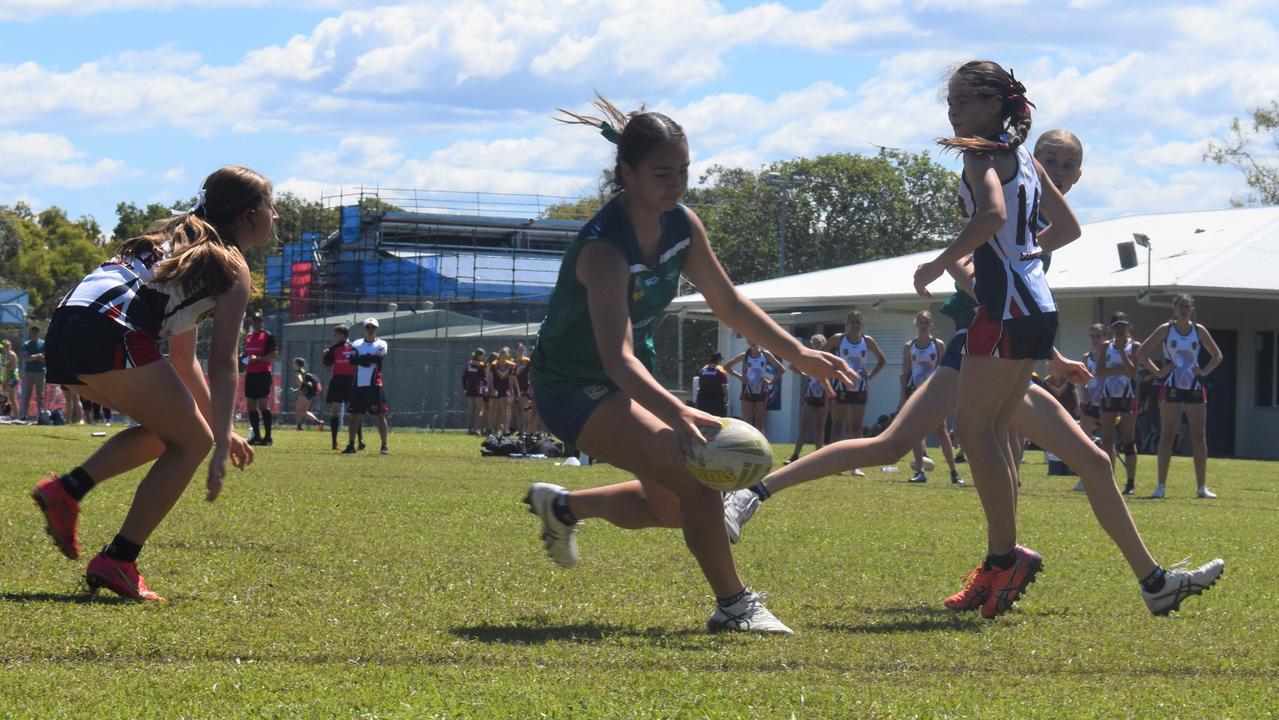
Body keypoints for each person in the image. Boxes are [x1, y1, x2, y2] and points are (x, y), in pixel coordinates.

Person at [725, 117, 1222, 617]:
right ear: (1031, 162)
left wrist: (1052, 356)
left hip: (1005, 357)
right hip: (976, 353)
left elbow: (1016, 292)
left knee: (1083, 461)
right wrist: (956, 269)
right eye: (1050, 161)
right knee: (900, 444)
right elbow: (980, 283)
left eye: (1069, 165)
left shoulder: (1033, 231)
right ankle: (755, 493)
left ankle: (1149, 582)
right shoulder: (1010, 209)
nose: (1058, 170)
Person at [522, 96, 855, 634]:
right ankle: (735, 607)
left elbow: (729, 302)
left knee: (675, 508)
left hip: (629, 381)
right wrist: (678, 412)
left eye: (683, 171)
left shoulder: (681, 225)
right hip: (573, 387)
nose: (675, 184)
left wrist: (797, 354)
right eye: (661, 174)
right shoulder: (604, 249)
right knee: (701, 480)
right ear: (626, 173)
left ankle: (564, 509)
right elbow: (616, 357)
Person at [29, 166, 265, 600]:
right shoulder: (230, 264)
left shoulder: (180, 239)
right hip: (109, 330)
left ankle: (67, 490)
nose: (275, 217)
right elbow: (223, 360)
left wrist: (222, 427)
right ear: (249, 215)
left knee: (172, 432)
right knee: (191, 442)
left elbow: (184, 358)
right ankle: (119, 558)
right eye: (271, 208)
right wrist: (214, 447)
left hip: (65, 327)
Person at [1135, 294, 1224, 499]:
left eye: (1187, 306)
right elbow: (1142, 353)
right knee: (1167, 435)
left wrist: (1203, 372)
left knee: (1198, 436)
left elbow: (1217, 355)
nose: (1184, 309)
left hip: (1193, 385)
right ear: (1174, 309)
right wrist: (1158, 372)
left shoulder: (1198, 330)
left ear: (1191, 308)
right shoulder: (1166, 329)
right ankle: (1161, 485)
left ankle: (1201, 487)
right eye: (1180, 306)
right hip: (1171, 384)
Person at [822, 309, 885, 476]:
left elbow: (881, 359)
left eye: (858, 321)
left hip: (859, 387)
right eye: (852, 322)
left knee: (856, 427)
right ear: (847, 324)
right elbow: (821, 354)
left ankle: (855, 465)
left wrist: (870, 375)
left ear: (862, 324)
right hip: (841, 386)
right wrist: (831, 371)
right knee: (837, 425)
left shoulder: (867, 341)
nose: (855, 325)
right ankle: (834, 463)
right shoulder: (838, 339)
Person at [900, 311, 961, 484]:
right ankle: (920, 471)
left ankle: (954, 472)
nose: (923, 325)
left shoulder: (938, 344)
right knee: (916, 432)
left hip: (933, 392)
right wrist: (902, 397)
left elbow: (944, 370)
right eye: (921, 322)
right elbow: (905, 373)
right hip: (914, 391)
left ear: (931, 324)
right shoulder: (909, 346)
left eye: (926, 322)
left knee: (941, 431)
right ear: (916, 324)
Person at [1098, 312, 1140, 495]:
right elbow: (1099, 372)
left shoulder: (1134, 346)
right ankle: (1109, 478)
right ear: (1111, 329)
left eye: (1122, 327)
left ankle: (1130, 482)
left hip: (1127, 395)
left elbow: (1132, 372)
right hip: (1109, 394)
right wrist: (1116, 370)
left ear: (1128, 327)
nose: (1120, 330)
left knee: (1129, 439)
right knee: (1108, 439)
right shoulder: (1107, 346)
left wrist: (1123, 351)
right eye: (1116, 327)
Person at [343, 317, 389, 455]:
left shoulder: (382, 343)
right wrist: (367, 359)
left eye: (373, 328)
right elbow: (352, 359)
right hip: (358, 385)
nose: (370, 330)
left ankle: (384, 445)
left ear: (377, 329)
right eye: (368, 327)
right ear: (364, 329)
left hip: (374, 386)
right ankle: (351, 445)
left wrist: (363, 359)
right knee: (354, 416)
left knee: (380, 416)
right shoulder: (357, 343)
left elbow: (379, 357)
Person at [785, 334, 831, 465]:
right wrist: (806, 374)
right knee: (804, 426)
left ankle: (819, 457)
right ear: (812, 344)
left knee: (820, 427)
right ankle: (795, 455)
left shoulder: (828, 358)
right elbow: (792, 366)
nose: (818, 344)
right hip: (811, 393)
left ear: (824, 343)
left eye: (821, 341)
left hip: (824, 393)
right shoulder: (809, 356)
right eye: (816, 342)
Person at [725, 342, 784, 432]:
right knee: (747, 422)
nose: (752, 343)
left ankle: (760, 445)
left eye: (754, 340)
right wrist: (739, 376)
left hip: (762, 390)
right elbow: (727, 367)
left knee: (759, 422)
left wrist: (770, 381)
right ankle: (748, 444)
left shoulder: (765, 354)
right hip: (748, 390)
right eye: (750, 340)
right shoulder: (745, 355)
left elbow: (781, 369)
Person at [242, 311, 277, 445]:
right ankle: (256, 436)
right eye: (254, 321)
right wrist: (245, 361)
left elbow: (273, 355)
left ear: (262, 322)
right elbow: (245, 355)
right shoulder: (248, 337)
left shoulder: (268, 336)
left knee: (263, 404)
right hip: (251, 374)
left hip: (263, 374)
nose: (256, 323)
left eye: (258, 321)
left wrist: (259, 359)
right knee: (251, 405)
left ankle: (267, 437)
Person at [322, 324, 356, 450]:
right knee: (335, 411)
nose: (335, 337)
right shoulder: (334, 349)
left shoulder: (354, 347)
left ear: (343, 335)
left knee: (353, 412)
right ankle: (334, 442)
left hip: (350, 381)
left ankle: (358, 440)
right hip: (337, 380)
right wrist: (325, 356)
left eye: (337, 334)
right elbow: (327, 367)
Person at [488, 346, 518, 434]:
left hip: (505, 388)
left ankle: (506, 429)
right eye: (502, 353)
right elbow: (491, 377)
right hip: (496, 387)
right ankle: (490, 428)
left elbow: (511, 378)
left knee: (505, 409)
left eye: (506, 353)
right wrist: (492, 389)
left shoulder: (511, 365)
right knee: (493, 409)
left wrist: (513, 390)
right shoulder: (494, 364)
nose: (503, 355)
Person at [19, 324, 46, 421]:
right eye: (33, 331)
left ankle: (41, 416)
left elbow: (44, 358)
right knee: (27, 395)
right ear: (30, 333)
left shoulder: (43, 344)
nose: (35, 333)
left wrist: (34, 357)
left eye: (36, 331)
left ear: (39, 333)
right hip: (29, 372)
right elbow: (26, 358)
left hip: (40, 372)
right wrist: (37, 356)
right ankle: (24, 415)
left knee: (40, 395)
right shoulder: (26, 344)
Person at [694, 352, 730, 418]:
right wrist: (727, 400)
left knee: (704, 419)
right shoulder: (721, 370)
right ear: (718, 360)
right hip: (716, 400)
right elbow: (725, 387)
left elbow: (699, 386)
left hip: (703, 399)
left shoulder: (703, 369)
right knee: (717, 420)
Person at [291, 357, 323, 430]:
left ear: (297, 364)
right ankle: (319, 423)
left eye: (294, 363)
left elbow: (300, 380)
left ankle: (298, 427)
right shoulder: (303, 370)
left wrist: (298, 388)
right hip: (310, 392)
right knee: (304, 411)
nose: (293, 365)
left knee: (298, 409)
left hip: (305, 392)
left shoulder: (298, 371)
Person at [463, 348, 489, 435]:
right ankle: (477, 428)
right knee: (480, 409)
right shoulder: (481, 365)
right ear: (479, 356)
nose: (484, 357)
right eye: (483, 355)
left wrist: (465, 389)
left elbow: (464, 377)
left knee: (471, 410)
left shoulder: (469, 365)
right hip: (478, 389)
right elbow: (484, 378)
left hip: (469, 390)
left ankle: (470, 429)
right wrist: (485, 388)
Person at [513, 342, 535, 433]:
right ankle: (520, 430)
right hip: (514, 387)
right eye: (519, 350)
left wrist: (531, 388)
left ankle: (527, 430)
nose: (521, 351)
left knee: (525, 409)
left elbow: (530, 374)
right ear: (515, 351)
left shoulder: (527, 361)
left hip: (524, 387)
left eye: (522, 350)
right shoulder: (512, 362)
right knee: (517, 410)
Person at [1, 339, 20, 417]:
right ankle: (13, 415)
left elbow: (14, 367)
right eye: (4, 346)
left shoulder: (11, 354)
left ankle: (16, 415)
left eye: (7, 346)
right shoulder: (4, 355)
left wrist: (6, 378)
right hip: (7, 376)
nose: (5, 348)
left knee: (11, 396)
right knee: (9, 397)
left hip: (12, 377)